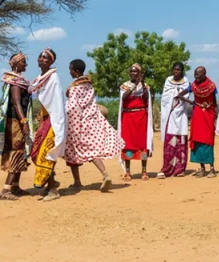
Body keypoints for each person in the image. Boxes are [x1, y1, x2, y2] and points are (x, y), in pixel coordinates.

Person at [64, 59, 124, 192]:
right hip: (92, 122)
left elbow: (72, 108)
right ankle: (105, 174)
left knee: (72, 151)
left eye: (71, 70)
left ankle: (77, 182)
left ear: (76, 71)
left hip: (79, 124)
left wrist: (67, 122)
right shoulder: (89, 86)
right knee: (92, 151)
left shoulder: (74, 88)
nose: (70, 72)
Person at [0, 52, 33, 201]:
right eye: (23, 62)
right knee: (17, 151)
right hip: (16, 122)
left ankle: (15, 186)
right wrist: (24, 121)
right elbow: (16, 103)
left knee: (21, 151)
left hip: (16, 121)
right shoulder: (15, 82)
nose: (25, 64)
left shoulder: (17, 81)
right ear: (15, 64)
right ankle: (6, 189)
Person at [29, 48, 67, 202]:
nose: (41, 59)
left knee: (47, 153)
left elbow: (56, 102)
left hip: (53, 120)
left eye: (45, 57)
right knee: (36, 152)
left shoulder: (53, 78)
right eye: (40, 56)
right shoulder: (40, 79)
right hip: (45, 119)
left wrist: (57, 125)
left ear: (51, 61)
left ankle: (52, 189)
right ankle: (51, 182)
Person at [177, 66, 218, 178]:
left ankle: (212, 169)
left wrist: (216, 116)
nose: (196, 76)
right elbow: (180, 95)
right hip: (198, 114)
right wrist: (190, 102)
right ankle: (202, 169)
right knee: (198, 140)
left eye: (198, 74)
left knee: (208, 141)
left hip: (208, 114)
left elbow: (214, 103)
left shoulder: (211, 86)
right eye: (195, 74)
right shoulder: (193, 86)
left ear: (204, 74)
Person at [118, 63, 154, 181]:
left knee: (142, 144)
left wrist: (141, 84)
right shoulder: (124, 86)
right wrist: (134, 86)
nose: (133, 73)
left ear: (139, 73)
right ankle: (128, 172)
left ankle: (144, 171)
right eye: (131, 71)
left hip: (141, 117)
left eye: (136, 71)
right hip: (128, 118)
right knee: (128, 144)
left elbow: (146, 98)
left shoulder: (145, 86)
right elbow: (124, 97)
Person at [157, 62, 190, 179]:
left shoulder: (186, 81)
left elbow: (186, 96)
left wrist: (178, 94)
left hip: (181, 115)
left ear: (182, 71)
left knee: (181, 143)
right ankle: (167, 168)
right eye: (175, 69)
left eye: (178, 70)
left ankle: (180, 169)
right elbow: (165, 97)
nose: (176, 72)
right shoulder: (168, 81)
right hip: (170, 115)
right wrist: (176, 92)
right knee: (169, 143)